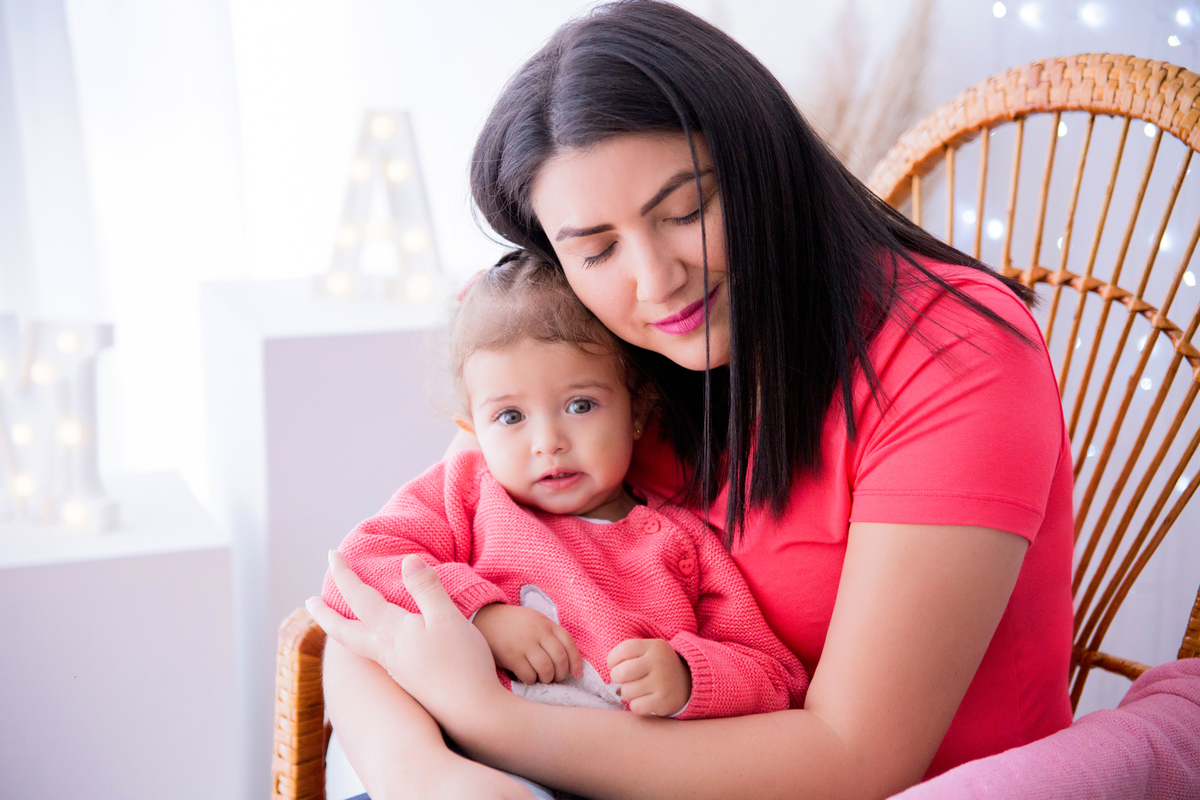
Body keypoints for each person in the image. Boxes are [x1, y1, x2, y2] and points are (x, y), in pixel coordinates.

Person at [306, 2, 1076, 798]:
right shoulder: (570, 341)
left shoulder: (952, 357)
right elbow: (372, 604)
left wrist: (491, 722)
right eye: (597, 247)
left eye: (686, 212)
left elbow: (856, 761)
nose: (656, 279)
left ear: (764, 163)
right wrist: (430, 776)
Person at [320, 251, 808, 800]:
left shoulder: (681, 544)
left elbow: (777, 678)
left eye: (580, 405)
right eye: (510, 417)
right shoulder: (469, 491)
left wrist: (689, 676)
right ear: (473, 427)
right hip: (470, 775)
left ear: (638, 409)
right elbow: (355, 568)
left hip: (614, 774)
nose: (547, 441)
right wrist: (483, 614)